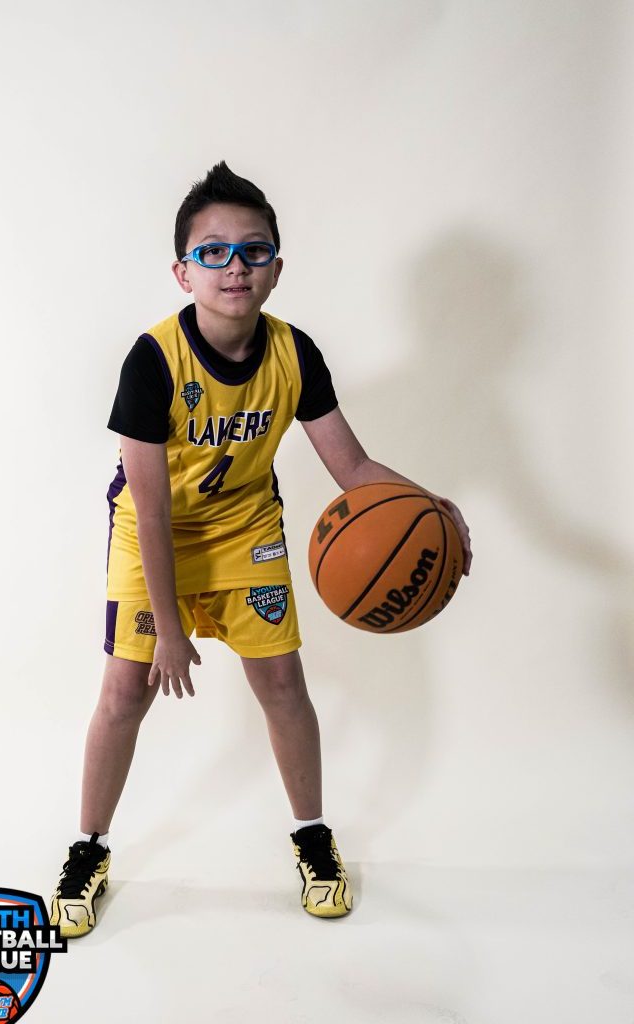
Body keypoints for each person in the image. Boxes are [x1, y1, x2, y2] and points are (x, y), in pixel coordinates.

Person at [49, 162, 472, 937]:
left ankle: (312, 837)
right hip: (154, 536)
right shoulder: (152, 361)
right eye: (213, 252)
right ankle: (89, 848)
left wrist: (430, 507)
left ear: (276, 267)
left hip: (246, 529)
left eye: (253, 250)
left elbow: (353, 468)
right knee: (126, 693)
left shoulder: (294, 353)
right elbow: (151, 511)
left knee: (282, 685)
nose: (235, 265)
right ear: (183, 272)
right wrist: (170, 629)